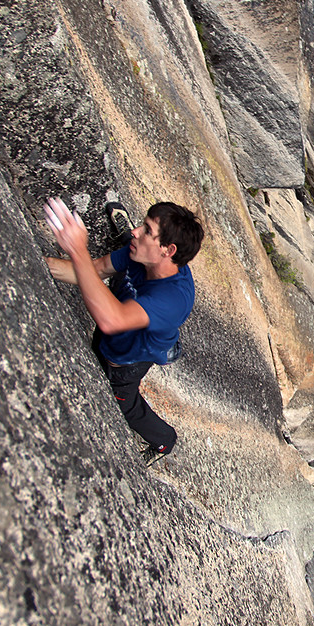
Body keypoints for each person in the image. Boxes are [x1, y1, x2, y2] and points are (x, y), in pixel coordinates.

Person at [44, 197, 203, 466]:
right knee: (126, 255)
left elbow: (112, 319)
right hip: (114, 330)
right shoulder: (137, 253)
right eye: (142, 225)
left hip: (127, 362)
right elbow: (94, 270)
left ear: (168, 250)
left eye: (147, 231)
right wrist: (29, 257)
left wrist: (78, 249)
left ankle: (164, 441)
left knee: (124, 404)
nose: (135, 232)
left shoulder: (173, 299)